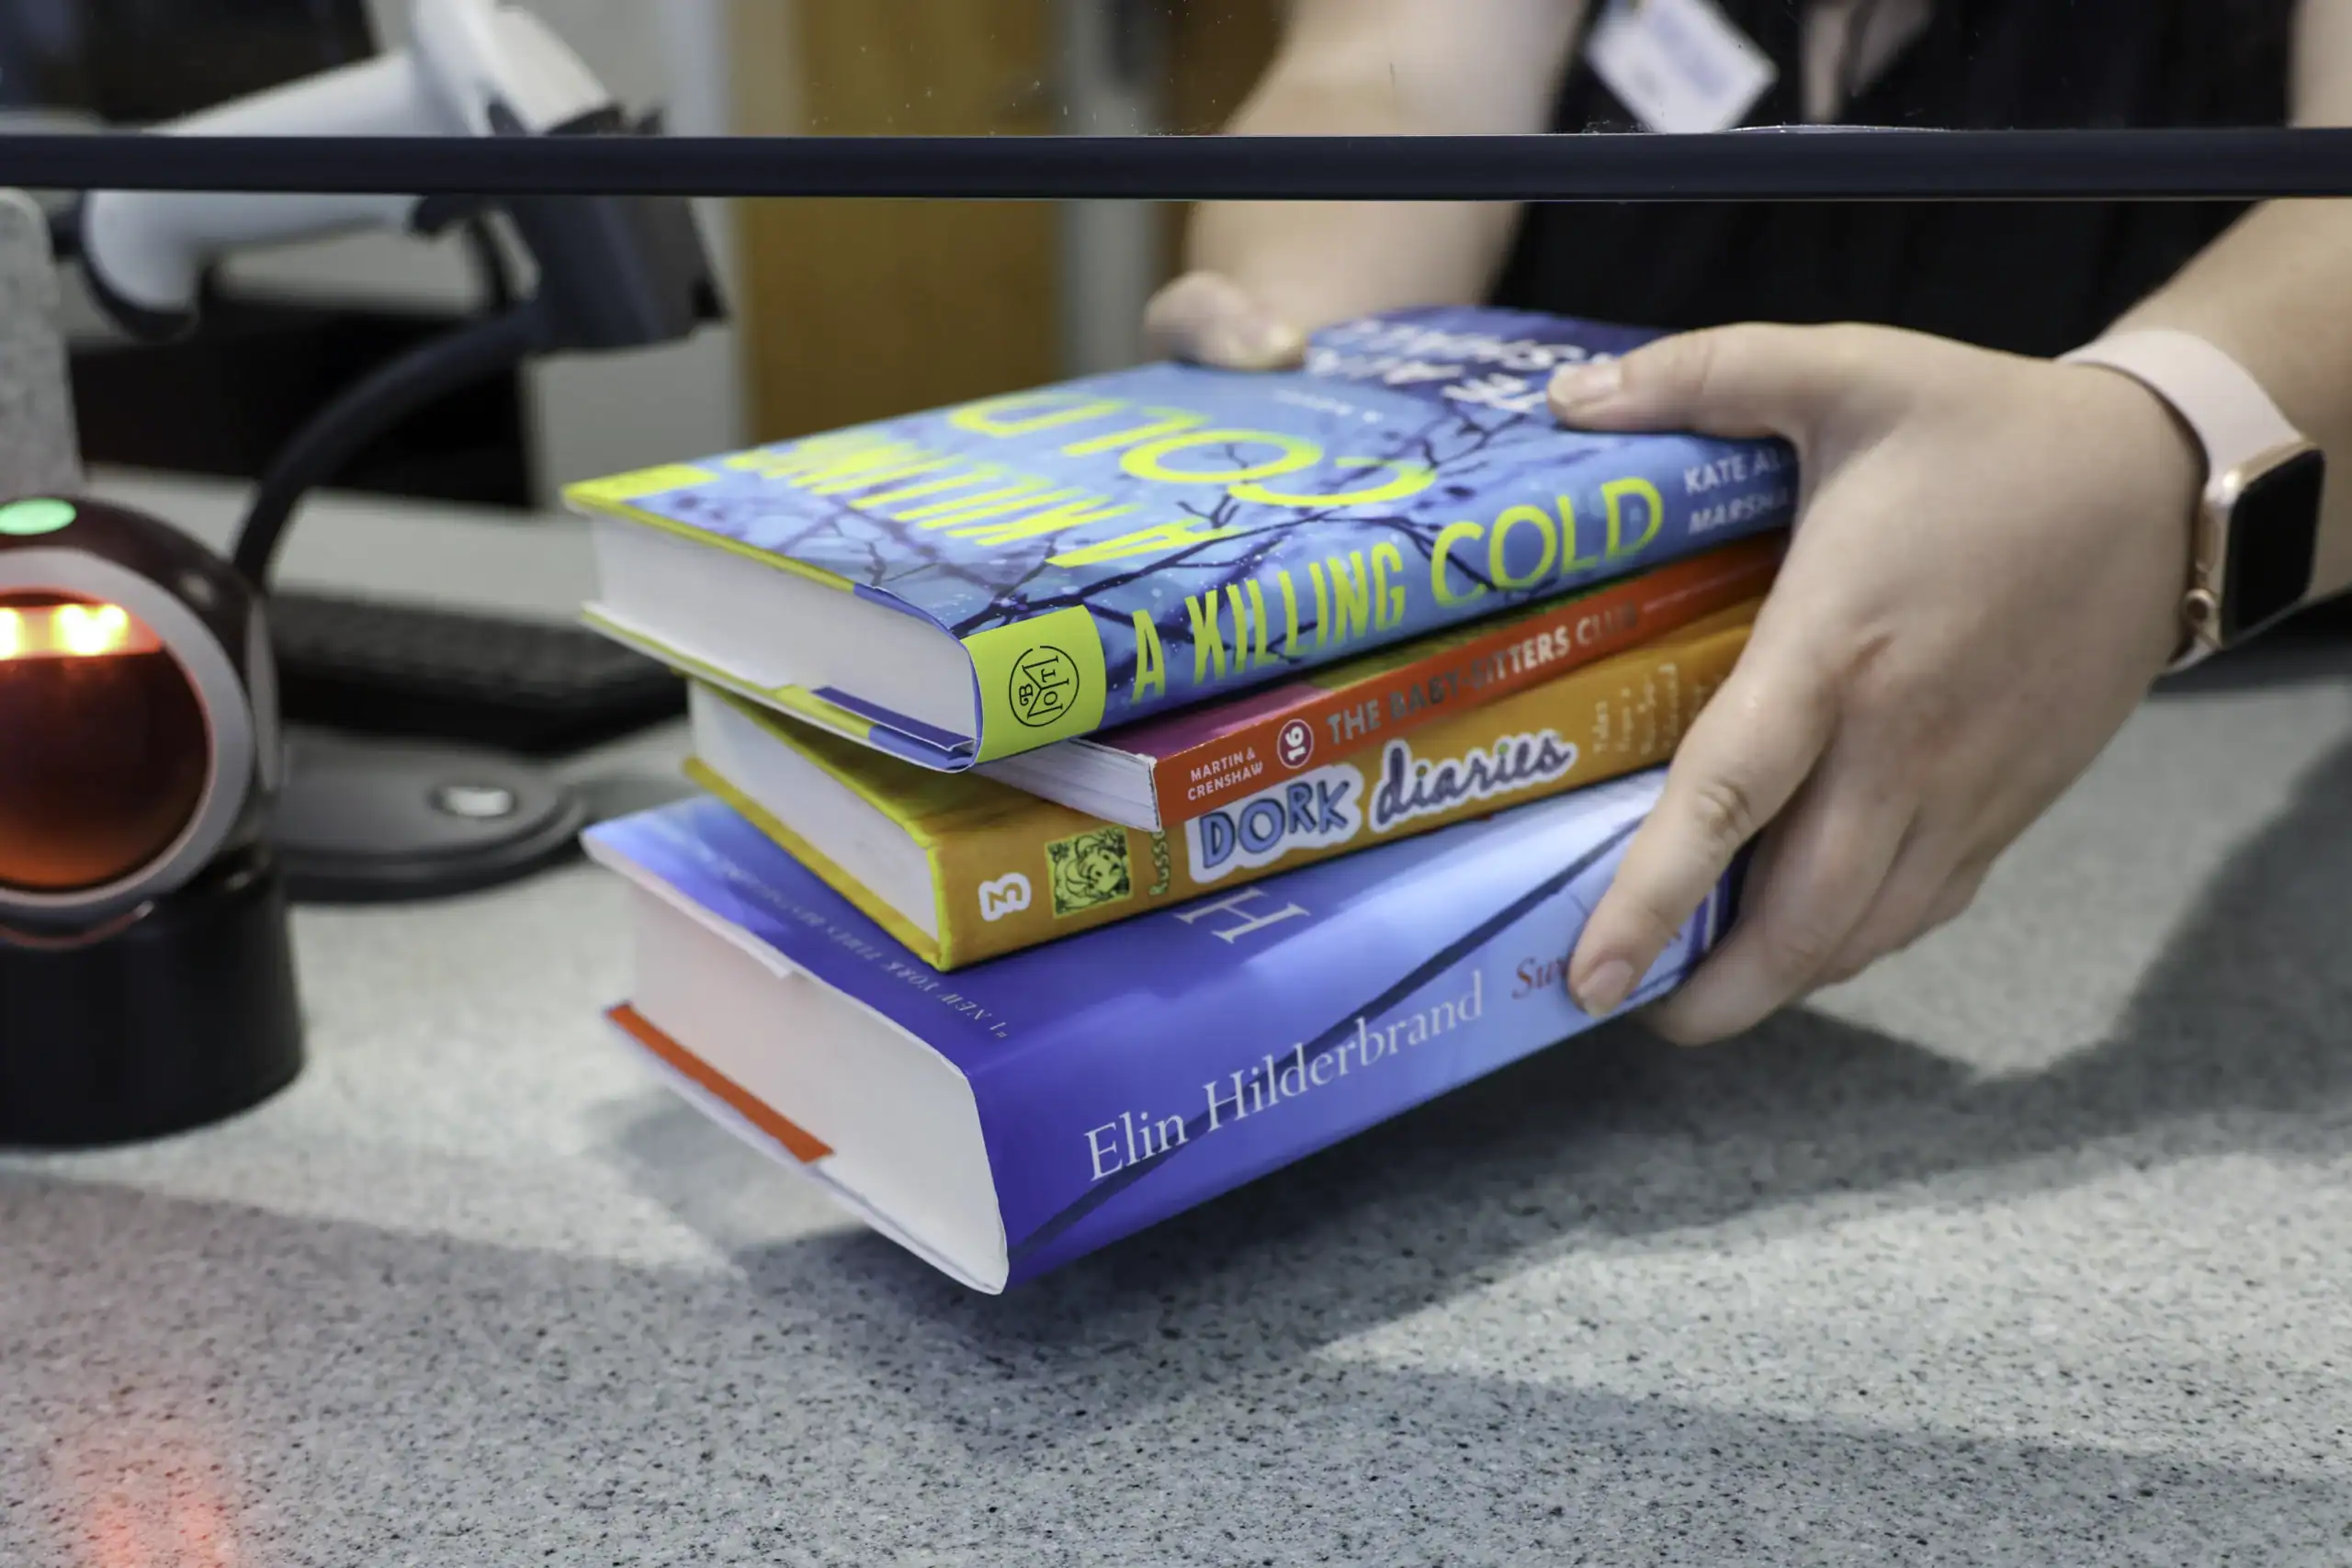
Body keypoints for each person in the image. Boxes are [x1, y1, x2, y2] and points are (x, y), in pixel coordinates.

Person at [1145, 0, 2352, 1044]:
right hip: (1562, 764)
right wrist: (1305, 356)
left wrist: (2154, 442)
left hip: (2219, 733)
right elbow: (1384, 78)